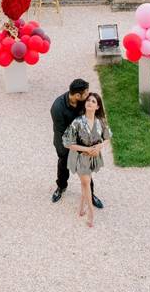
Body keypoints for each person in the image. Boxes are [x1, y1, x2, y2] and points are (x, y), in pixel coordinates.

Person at [50, 79, 103, 209]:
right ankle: (61, 187)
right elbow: (64, 135)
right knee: (63, 164)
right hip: (64, 142)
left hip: (82, 141)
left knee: (86, 169)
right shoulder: (57, 108)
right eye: (86, 93)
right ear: (77, 95)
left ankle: (91, 194)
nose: (88, 95)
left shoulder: (84, 101)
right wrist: (78, 148)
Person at [62, 92, 111, 228]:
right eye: (88, 100)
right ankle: (91, 211)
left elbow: (107, 138)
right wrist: (87, 150)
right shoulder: (77, 122)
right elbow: (67, 143)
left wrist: (99, 147)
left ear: (97, 106)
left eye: (93, 101)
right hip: (79, 157)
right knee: (86, 181)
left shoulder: (101, 122)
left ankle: (81, 206)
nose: (90, 102)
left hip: (93, 157)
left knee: (85, 183)